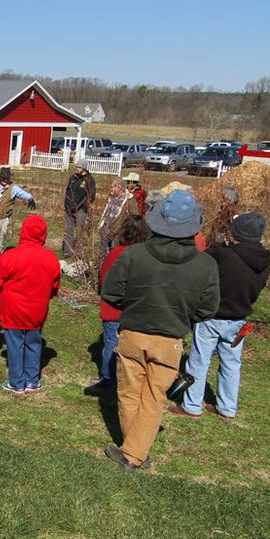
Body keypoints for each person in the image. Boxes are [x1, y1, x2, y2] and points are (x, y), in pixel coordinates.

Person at [100, 190, 220, 471]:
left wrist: (135, 304)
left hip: (133, 333)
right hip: (170, 340)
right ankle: (135, 451)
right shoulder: (206, 264)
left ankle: (132, 452)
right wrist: (184, 314)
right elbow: (208, 308)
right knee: (155, 399)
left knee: (130, 394)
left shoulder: (134, 255)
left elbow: (111, 292)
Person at [173, 212, 270, 421]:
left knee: (198, 361)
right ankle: (227, 408)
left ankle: (192, 405)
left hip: (212, 315)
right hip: (240, 317)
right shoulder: (265, 258)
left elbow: (200, 265)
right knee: (231, 364)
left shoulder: (223, 254)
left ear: (237, 233)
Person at [0, 215, 61, 395]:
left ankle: (16, 382)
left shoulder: (10, 256)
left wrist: (1, 299)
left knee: (14, 344)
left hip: (13, 309)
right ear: (44, 235)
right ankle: (31, 380)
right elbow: (55, 285)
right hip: (37, 309)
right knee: (34, 343)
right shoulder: (50, 258)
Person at [84, 215, 148, 396]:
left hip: (115, 308)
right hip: (136, 309)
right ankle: (127, 379)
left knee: (112, 344)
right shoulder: (146, 255)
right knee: (131, 346)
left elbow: (105, 278)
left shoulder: (117, 253)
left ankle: (108, 379)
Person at [0, 167, 36, 250]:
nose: (4, 180)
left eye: (6, 178)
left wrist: (30, 198)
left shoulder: (13, 188)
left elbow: (24, 194)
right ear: (0, 177)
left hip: (2, 220)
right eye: (3, 178)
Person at [62, 157, 96, 260]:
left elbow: (91, 196)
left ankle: (78, 254)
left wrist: (81, 206)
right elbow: (67, 191)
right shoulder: (73, 178)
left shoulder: (89, 180)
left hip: (81, 210)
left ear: (84, 168)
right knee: (68, 231)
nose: (77, 168)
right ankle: (67, 253)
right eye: (77, 166)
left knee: (80, 233)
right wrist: (66, 205)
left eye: (79, 167)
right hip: (69, 209)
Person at [97, 178, 137, 260]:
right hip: (105, 227)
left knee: (114, 253)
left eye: (114, 186)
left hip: (118, 231)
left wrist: (126, 229)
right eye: (112, 186)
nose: (111, 188)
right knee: (103, 251)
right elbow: (106, 211)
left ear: (120, 188)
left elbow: (134, 216)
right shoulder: (111, 197)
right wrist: (101, 224)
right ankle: (102, 267)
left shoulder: (129, 200)